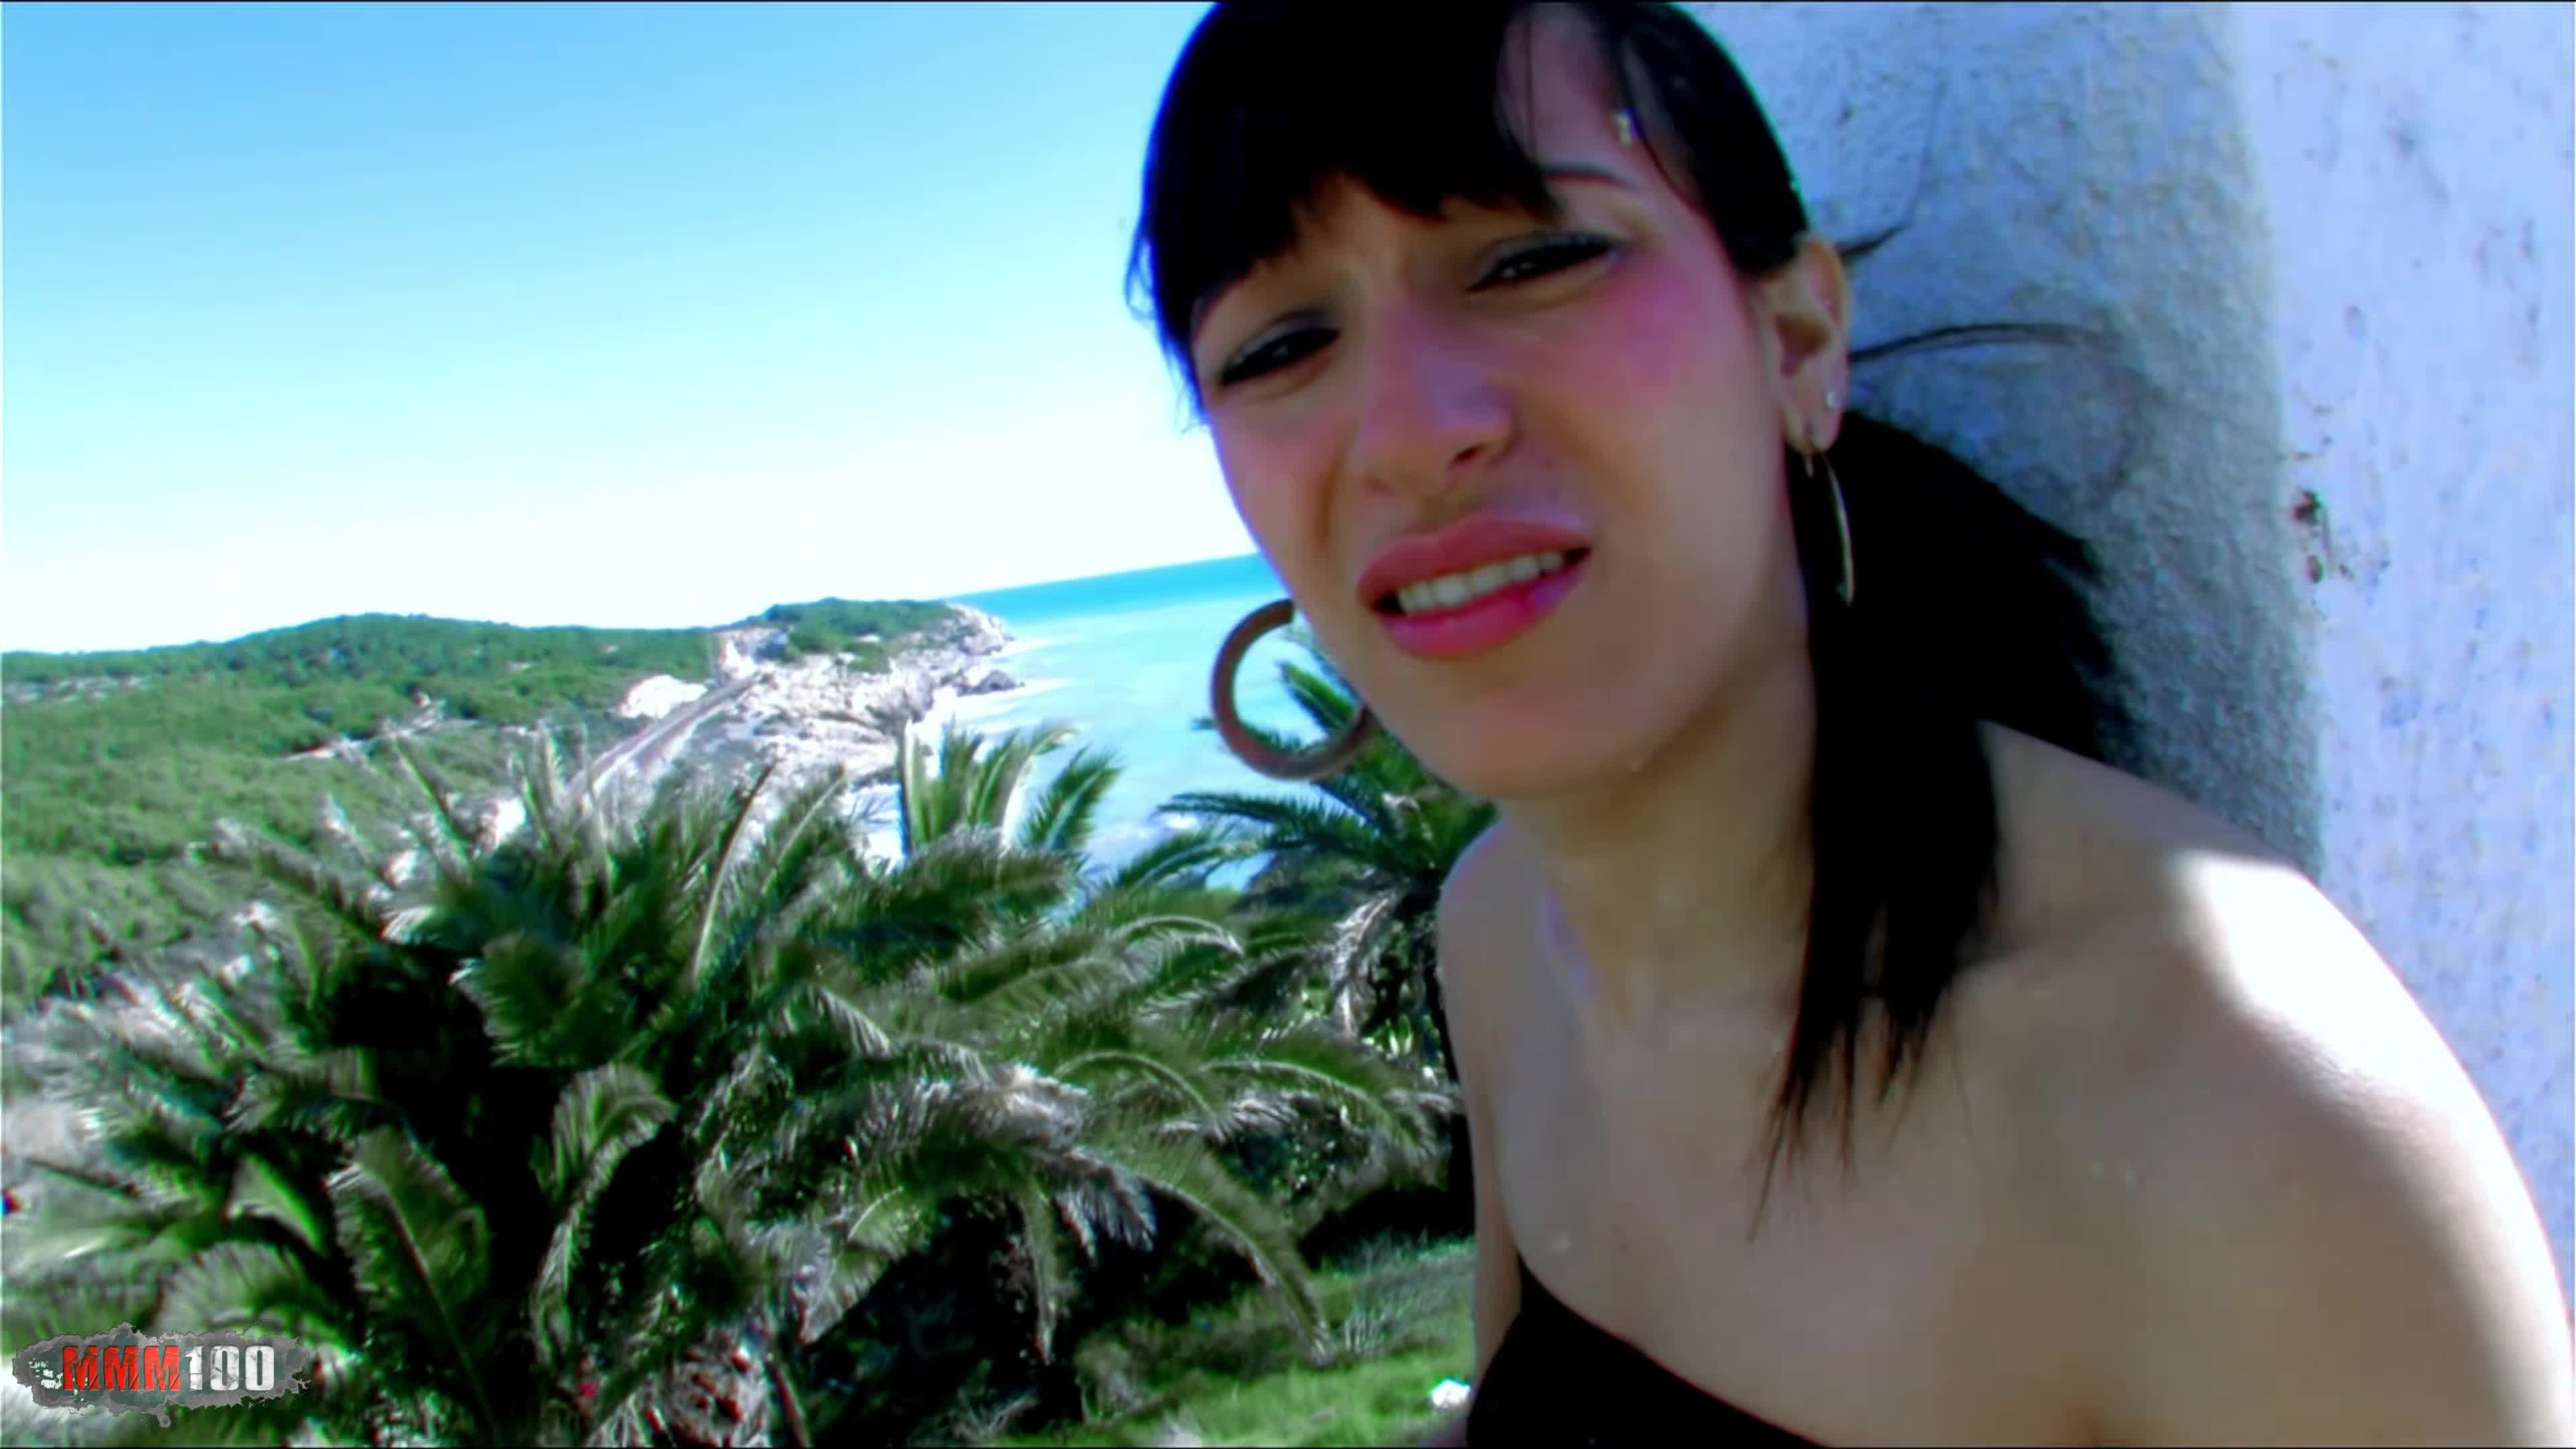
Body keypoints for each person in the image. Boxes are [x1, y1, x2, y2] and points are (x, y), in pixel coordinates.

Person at [1133, 3, 2575, 1445]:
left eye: (1535, 259)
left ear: (1797, 338)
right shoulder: (1502, 935)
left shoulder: (2239, 1113)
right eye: (1279, 346)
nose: (1407, 432)